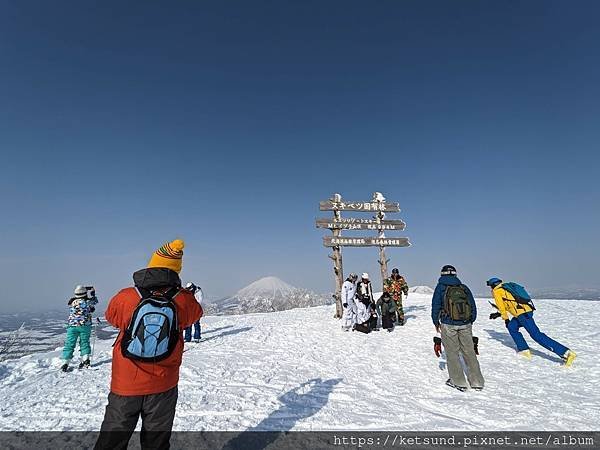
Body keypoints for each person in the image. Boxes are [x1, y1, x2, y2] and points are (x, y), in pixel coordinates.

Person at [95, 239, 202, 450]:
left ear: (151, 265)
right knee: (157, 442)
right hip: (164, 382)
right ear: (176, 270)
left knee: (113, 438)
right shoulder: (184, 299)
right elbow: (195, 316)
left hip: (125, 382)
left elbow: (112, 318)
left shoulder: (126, 296)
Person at [487, 277, 576, 366]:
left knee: (537, 335)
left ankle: (566, 353)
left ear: (493, 285)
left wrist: (505, 319)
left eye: (490, 286)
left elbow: (502, 306)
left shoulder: (497, 291)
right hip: (525, 311)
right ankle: (524, 349)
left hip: (522, 314)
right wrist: (498, 314)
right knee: (512, 327)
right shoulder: (506, 288)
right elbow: (510, 304)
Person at [431, 265, 484, 392]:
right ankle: (477, 382)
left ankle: (458, 381)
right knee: (469, 351)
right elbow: (472, 306)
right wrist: (470, 321)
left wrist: (436, 322)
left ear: (442, 274)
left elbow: (436, 306)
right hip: (465, 324)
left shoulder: (440, 288)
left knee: (452, 353)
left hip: (448, 324)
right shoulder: (463, 287)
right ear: (455, 274)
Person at [60, 285, 99, 371]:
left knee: (69, 344)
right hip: (85, 325)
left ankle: (65, 362)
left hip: (72, 326)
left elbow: (79, 300)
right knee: (84, 342)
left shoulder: (71, 302)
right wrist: (93, 292)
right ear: (84, 293)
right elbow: (95, 301)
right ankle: (86, 360)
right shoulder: (88, 302)